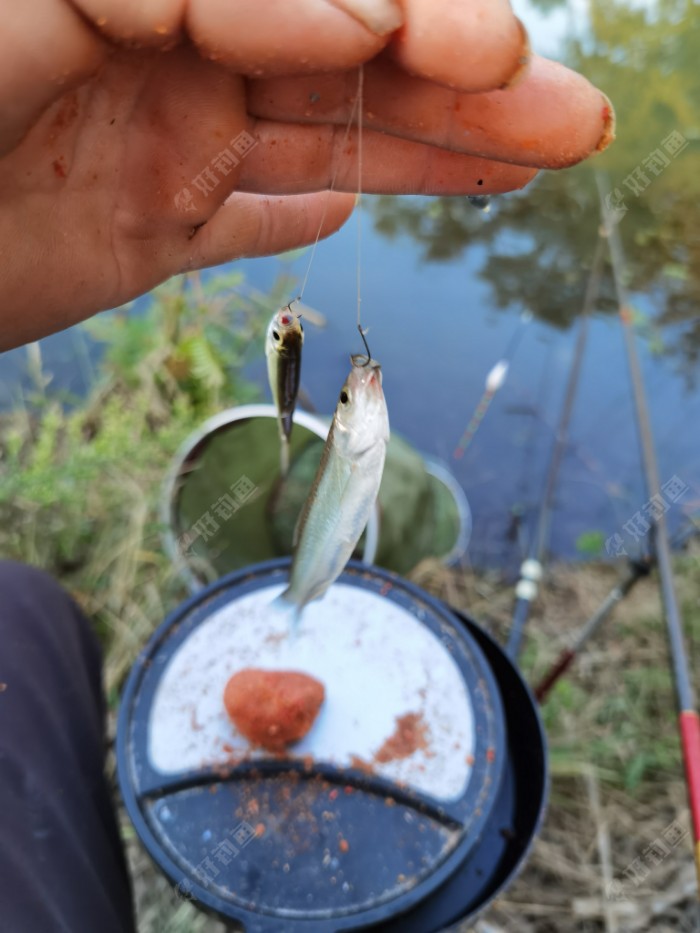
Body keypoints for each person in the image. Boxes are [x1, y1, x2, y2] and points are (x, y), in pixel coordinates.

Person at [0, 3, 613, 930]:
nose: (356, 400)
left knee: (30, 609)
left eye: (350, 402)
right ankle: (305, 591)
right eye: (347, 402)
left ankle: (306, 590)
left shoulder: (353, 429)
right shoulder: (355, 427)